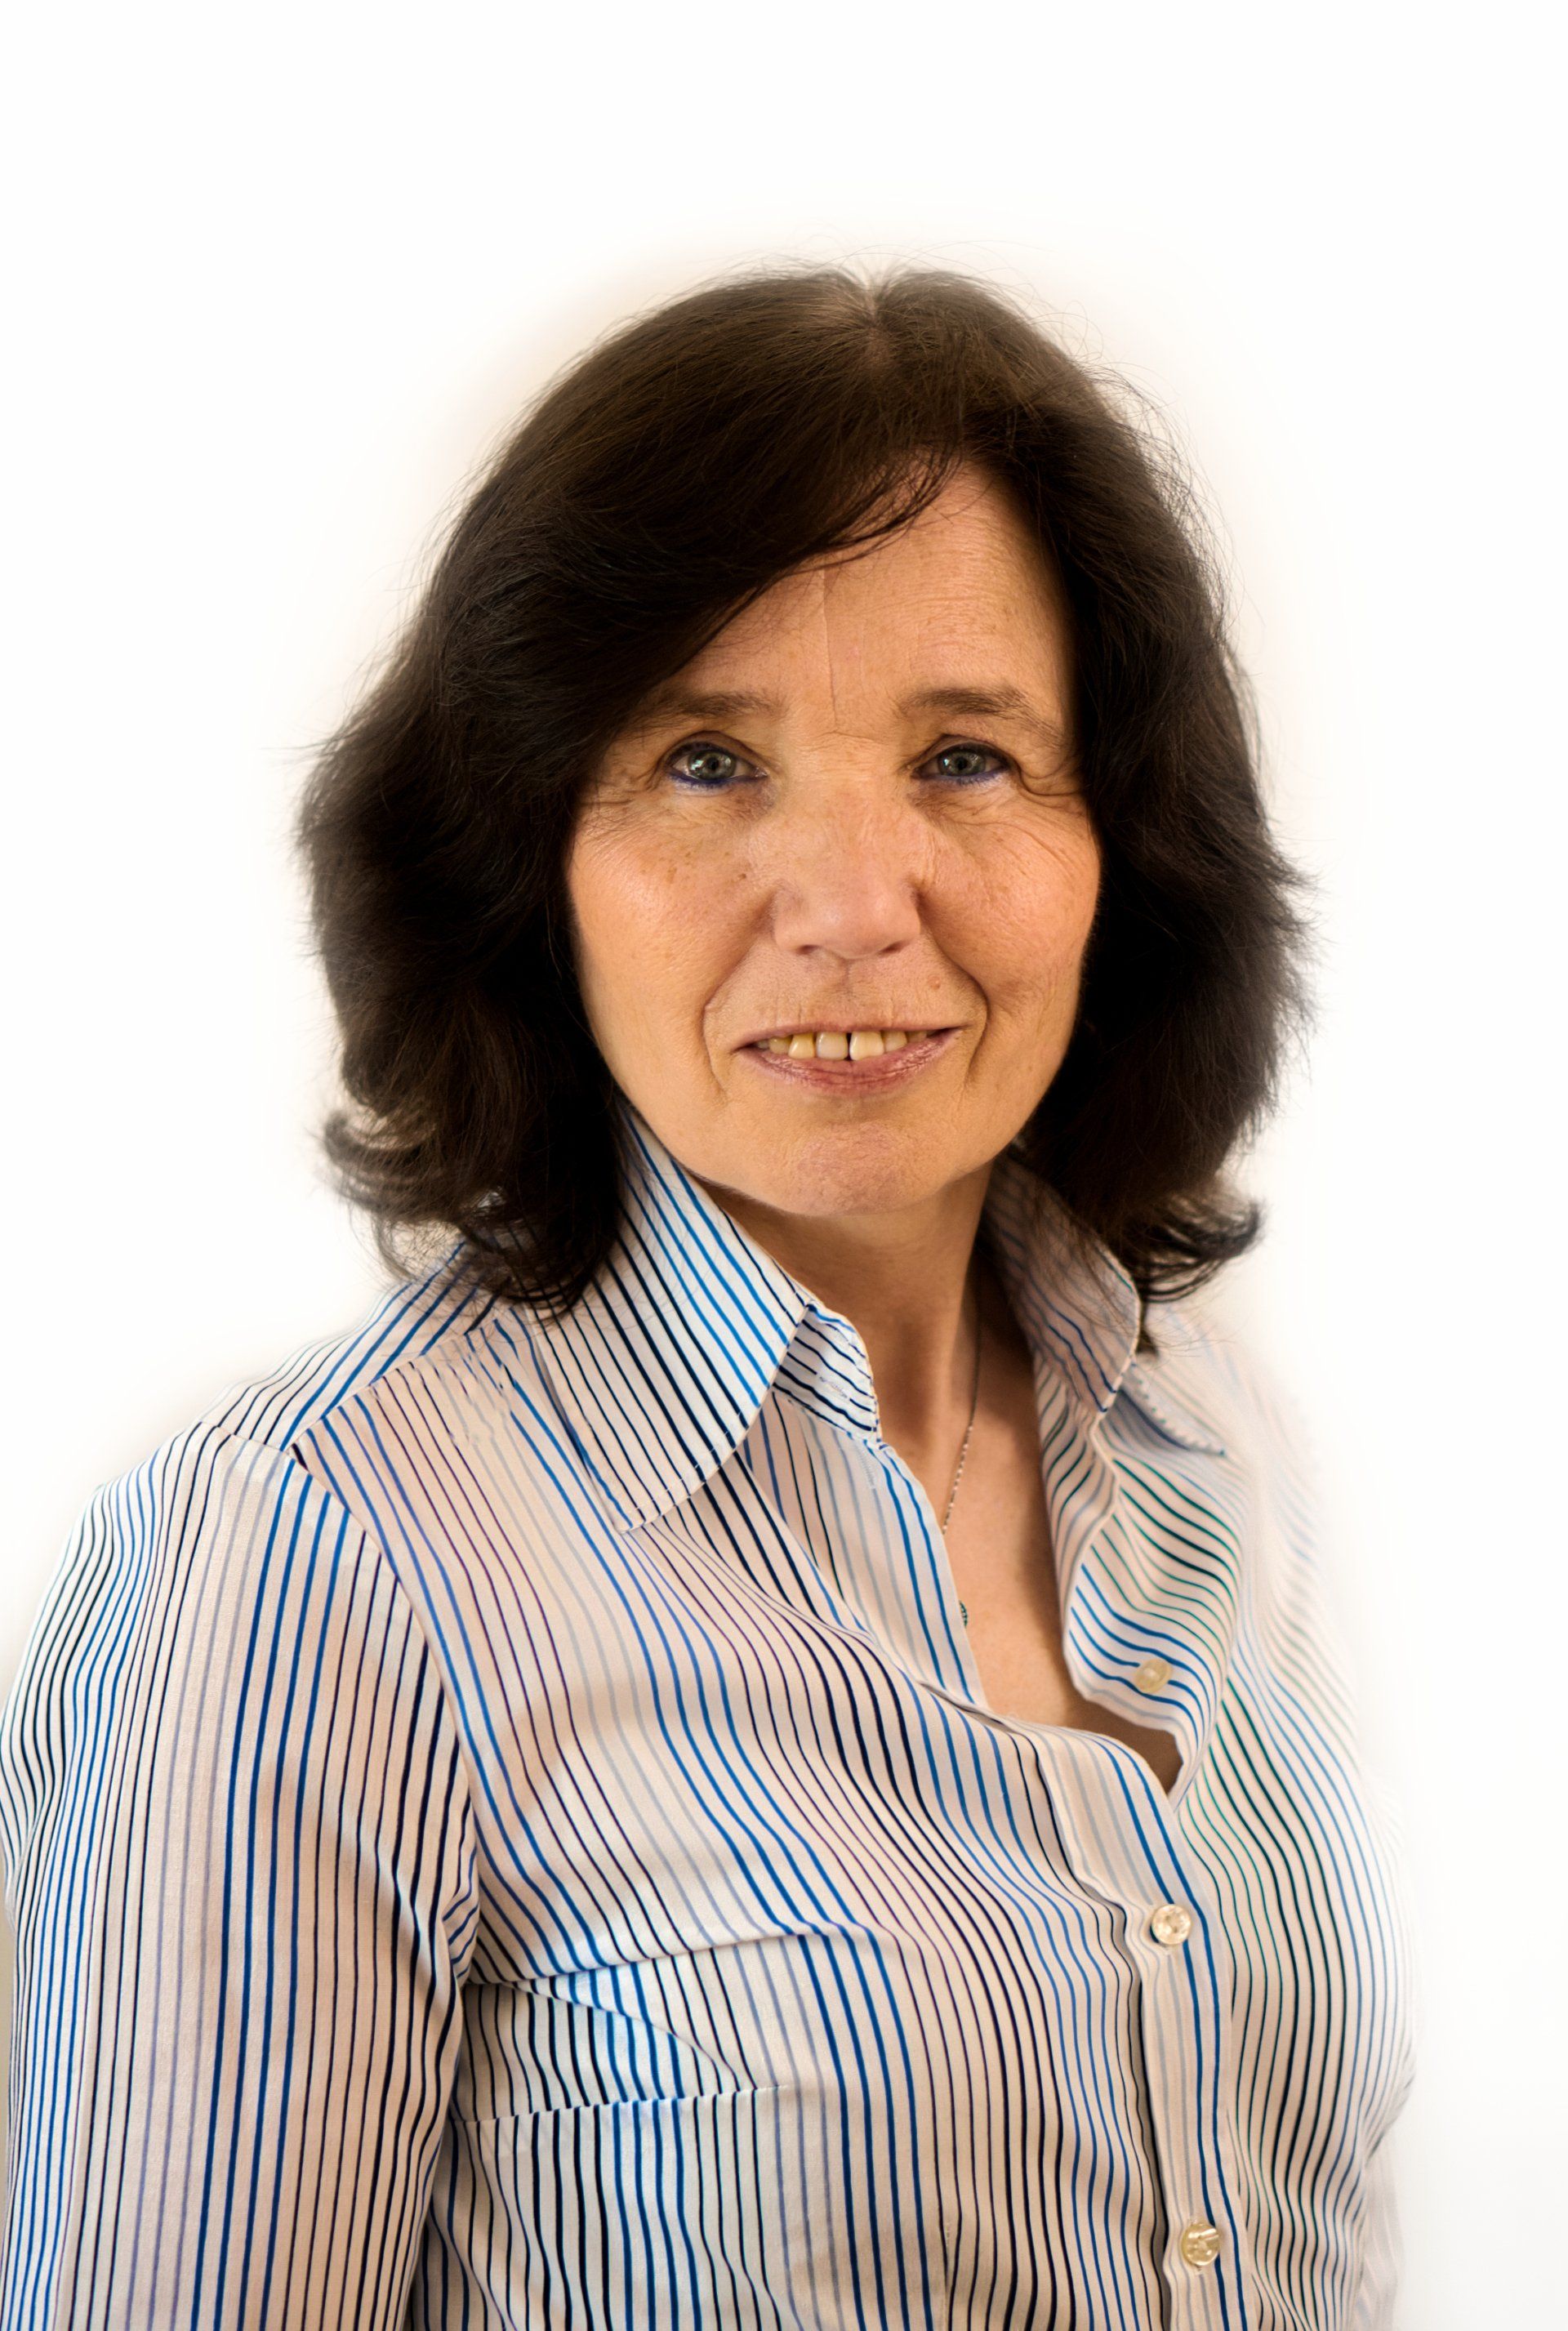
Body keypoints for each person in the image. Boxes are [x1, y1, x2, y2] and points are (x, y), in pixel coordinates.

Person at [0, 263, 1416, 2328]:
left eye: (965, 758)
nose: (851, 906)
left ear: (1124, 845)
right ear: (524, 859)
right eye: (703, 762)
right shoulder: (305, 1564)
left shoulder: (1204, 1431)